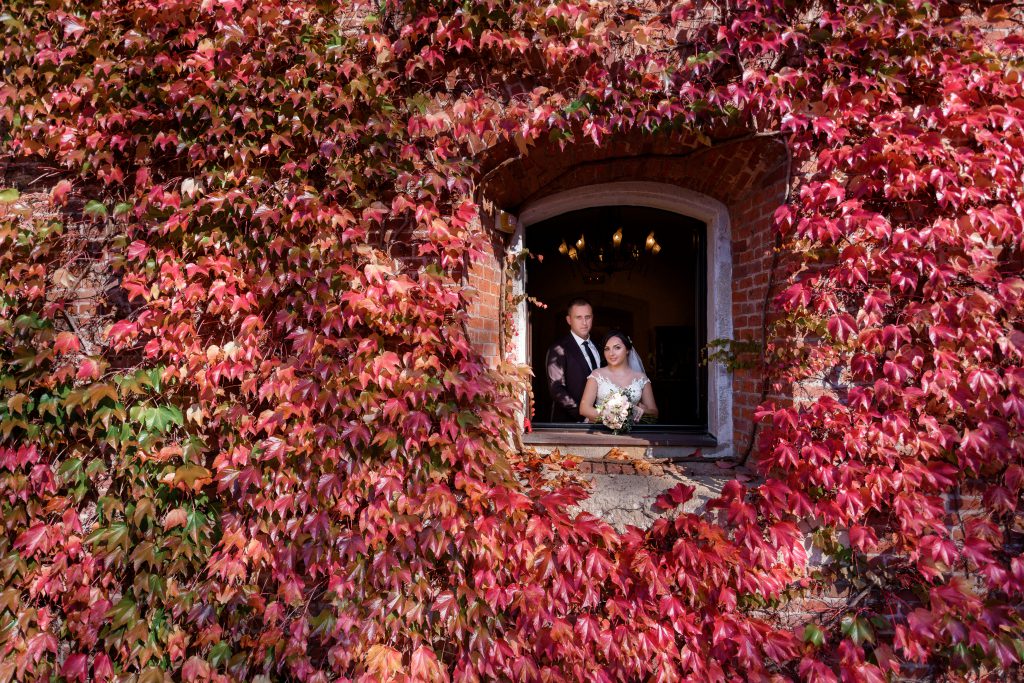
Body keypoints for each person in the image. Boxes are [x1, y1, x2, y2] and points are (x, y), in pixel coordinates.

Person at [579, 331, 658, 425]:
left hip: (632, 433)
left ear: (627, 350)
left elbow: (655, 413)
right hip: (600, 431)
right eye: (607, 349)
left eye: (617, 348)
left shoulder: (641, 378)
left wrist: (640, 411)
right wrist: (610, 417)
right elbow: (584, 409)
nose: (611, 353)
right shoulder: (597, 375)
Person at [546, 298, 601, 422]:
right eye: (579, 317)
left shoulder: (599, 347)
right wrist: (585, 416)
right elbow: (557, 389)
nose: (584, 323)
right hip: (570, 423)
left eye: (588, 317)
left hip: (601, 423)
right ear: (569, 320)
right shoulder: (559, 349)